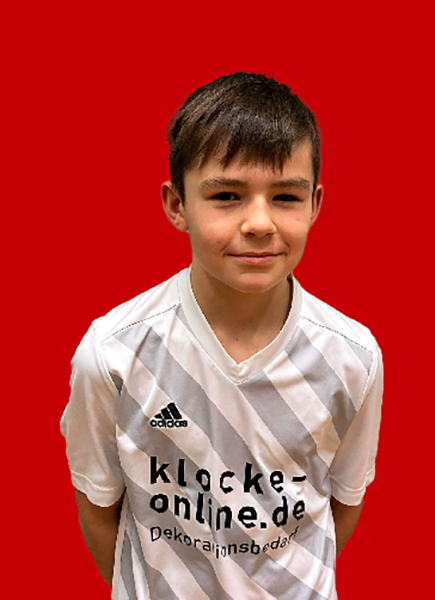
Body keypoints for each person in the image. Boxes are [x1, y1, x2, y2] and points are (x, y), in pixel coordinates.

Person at [60, 72, 383, 600]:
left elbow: (343, 501)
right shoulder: (113, 353)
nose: (259, 223)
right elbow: (99, 507)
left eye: (285, 196)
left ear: (315, 204)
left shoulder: (353, 357)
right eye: (227, 195)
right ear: (177, 205)